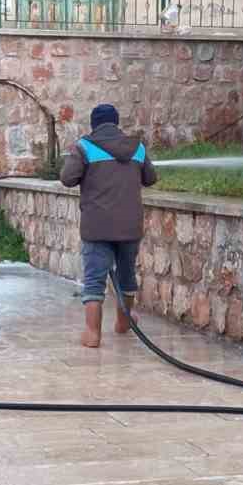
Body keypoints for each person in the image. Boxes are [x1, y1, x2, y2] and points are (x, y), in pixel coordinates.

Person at [59, 103, 158, 348]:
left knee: (94, 280)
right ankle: (123, 323)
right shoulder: (137, 148)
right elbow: (151, 178)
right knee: (126, 276)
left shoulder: (85, 147)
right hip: (129, 227)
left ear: (94, 124)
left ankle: (93, 334)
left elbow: (67, 179)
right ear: (116, 123)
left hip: (97, 227)